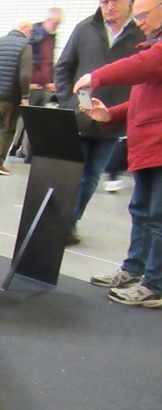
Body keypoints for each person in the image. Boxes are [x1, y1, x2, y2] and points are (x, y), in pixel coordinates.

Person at [74, 0, 162, 308]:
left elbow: (145, 64)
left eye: (144, 16)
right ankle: (134, 270)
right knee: (142, 212)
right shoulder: (151, 44)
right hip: (148, 147)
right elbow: (143, 98)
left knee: (157, 218)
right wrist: (111, 114)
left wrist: (96, 77)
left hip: (157, 147)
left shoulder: (155, 51)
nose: (140, 23)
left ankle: (154, 284)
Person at [54, 0, 143, 245]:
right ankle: (62, 225)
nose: (109, 6)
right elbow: (63, 67)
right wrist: (70, 102)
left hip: (113, 121)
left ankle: (70, 223)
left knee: (92, 177)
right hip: (79, 118)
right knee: (71, 174)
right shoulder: (85, 29)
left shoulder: (141, 32)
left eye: (115, 1)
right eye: (104, 1)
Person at [0, 20, 33, 176]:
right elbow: (25, 75)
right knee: (7, 128)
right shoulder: (25, 46)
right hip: (10, 95)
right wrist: (25, 96)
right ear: (24, 29)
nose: (30, 34)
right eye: (30, 31)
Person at [22, 7, 63, 162]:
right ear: (48, 20)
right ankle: (24, 151)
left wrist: (51, 81)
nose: (56, 26)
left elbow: (49, 61)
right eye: (55, 22)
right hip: (33, 86)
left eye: (58, 23)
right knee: (29, 121)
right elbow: (28, 61)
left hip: (44, 86)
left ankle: (31, 154)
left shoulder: (51, 37)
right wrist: (29, 83)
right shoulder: (36, 35)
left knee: (39, 122)